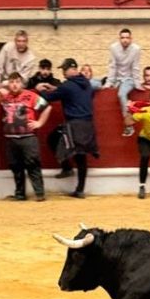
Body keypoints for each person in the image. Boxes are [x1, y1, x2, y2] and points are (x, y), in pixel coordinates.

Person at [36, 58, 99, 199]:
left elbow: (49, 97)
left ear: (72, 69)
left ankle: (66, 167)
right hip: (87, 124)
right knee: (81, 156)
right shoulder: (86, 83)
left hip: (74, 123)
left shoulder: (67, 86)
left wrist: (40, 90)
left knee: (52, 139)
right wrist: (57, 89)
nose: (63, 73)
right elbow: (71, 92)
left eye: (65, 70)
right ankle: (80, 189)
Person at [0, 71, 52, 201]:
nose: (14, 85)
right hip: (11, 138)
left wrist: (39, 123)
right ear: (8, 84)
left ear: (22, 83)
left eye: (17, 82)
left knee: (33, 164)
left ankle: (40, 193)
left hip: (28, 137)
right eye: (12, 82)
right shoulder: (5, 96)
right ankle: (20, 194)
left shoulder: (30, 96)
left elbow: (47, 107)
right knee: (15, 166)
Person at [102, 28, 142, 137]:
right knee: (101, 87)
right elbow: (112, 66)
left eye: (127, 37)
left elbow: (135, 67)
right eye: (122, 38)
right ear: (119, 39)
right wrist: (109, 83)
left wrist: (137, 84)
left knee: (121, 94)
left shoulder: (136, 49)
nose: (125, 40)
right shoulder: (113, 48)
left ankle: (129, 125)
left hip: (129, 79)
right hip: (117, 79)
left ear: (131, 38)